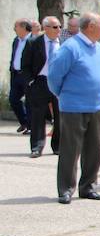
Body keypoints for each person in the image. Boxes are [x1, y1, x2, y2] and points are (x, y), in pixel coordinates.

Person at [47, 13, 100, 204]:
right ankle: (66, 189)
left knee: (94, 149)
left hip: (96, 106)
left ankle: (88, 186)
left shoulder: (98, 48)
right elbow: (54, 76)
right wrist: (64, 95)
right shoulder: (71, 47)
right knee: (70, 150)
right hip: (73, 107)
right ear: (90, 26)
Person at [21, 16, 62, 157]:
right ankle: (37, 147)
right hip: (40, 82)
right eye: (55, 27)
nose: (59, 30)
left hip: (58, 82)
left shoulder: (64, 43)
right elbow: (25, 64)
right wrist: (31, 81)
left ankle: (58, 146)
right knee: (38, 115)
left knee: (60, 115)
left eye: (60, 26)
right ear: (46, 28)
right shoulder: (33, 42)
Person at [9, 19, 32, 134]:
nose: (14, 29)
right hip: (16, 75)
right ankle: (24, 122)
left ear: (23, 27)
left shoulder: (33, 41)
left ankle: (30, 126)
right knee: (13, 99)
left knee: (29, 101)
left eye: (16, 26)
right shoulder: (16, 41)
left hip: (27, 75)